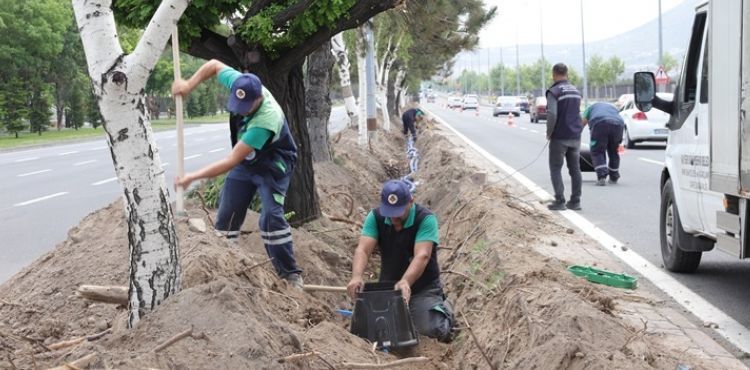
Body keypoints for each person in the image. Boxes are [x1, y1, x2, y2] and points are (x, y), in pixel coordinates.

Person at [172, 59, 303, 288]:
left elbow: (231, 160)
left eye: (246, 107)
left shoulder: (265, 119)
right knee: (226, 216)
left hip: (273, 164)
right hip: (247, 161)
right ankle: (226, 269)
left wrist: (192, 177)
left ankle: (290, 275)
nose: (241, 110)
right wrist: (188, 85)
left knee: (271, 217)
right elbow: (213, 65)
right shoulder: (241, 83)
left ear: (258, 99)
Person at [347, 180, 454, 342]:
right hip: (389, 287)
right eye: (389, 212)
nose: (394, 218)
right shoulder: (375, 217)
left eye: (399, 212)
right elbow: (363, 249)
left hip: (422, 289)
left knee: (430, 330)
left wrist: (406, 282)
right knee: (372, 332)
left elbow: (422, 255)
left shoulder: (425, 219)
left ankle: (443, 310)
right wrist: (356, 276)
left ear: (411, 202)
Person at [546, 63, 584, 211]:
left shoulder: (554, 91)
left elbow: (552, 114)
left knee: (555, 168)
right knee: (575, 169)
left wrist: (549, 132)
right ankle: (575, 201)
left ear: (554, 74)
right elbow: (577, 113)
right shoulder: (575, 91)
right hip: (575, 137)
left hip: (560, 137)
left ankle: (560, 201)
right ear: (567, 74)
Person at [582, 102, 625, 186]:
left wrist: (575, 137)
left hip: (600, 123)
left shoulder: (589, 108)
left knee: (597, 151)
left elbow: (581, 124)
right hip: (618, 124)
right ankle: (614, 176)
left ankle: (601, 177)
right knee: (614, 151)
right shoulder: (612, 107)